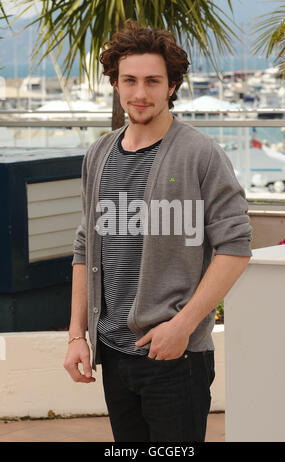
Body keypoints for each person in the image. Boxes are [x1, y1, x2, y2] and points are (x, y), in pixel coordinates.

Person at [64, 19, 253, 442]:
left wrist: (183, 325)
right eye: (129, 80)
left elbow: (236, 248)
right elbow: (83, 248)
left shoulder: (201, 154)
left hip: (175, 355)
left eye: (153, 81)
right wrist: (77, 335)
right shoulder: (98, 154)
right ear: (115, 83)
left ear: (171, 87)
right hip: (112, 352)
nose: (140, 93)